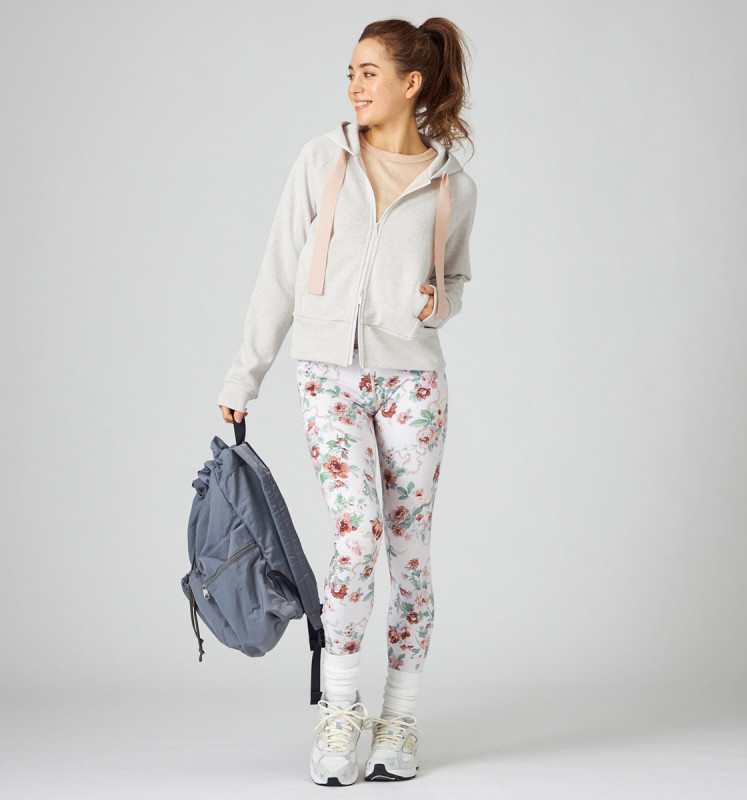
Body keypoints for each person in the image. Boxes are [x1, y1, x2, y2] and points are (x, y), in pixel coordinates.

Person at [218, 16, 477, 786]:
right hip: (328, 375)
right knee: (357, 534)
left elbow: (456, 281)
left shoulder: (452, 185)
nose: (355, 86)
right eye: (351, 73)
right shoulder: (322, 161)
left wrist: (436, 304)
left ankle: (399, 718)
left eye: (370, 72)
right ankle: (340, 712)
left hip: (413, 384)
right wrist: (243, 377)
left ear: (411, 83)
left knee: (410, 553)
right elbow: (279, 271)